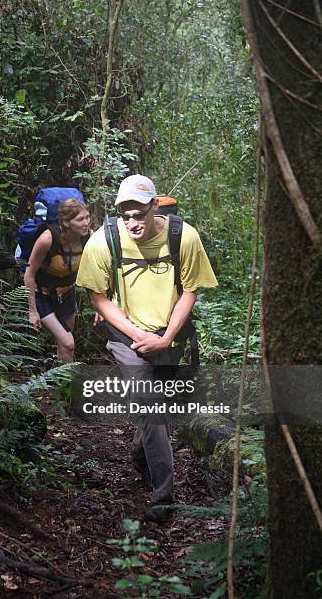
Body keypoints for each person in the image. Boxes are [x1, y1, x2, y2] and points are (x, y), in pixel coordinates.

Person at [76, 174, 218, 520]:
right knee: (153, 406)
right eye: (126, 214)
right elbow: (97, 297)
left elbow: (191, 290)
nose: (132, 222)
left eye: (139, 213)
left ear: (155, 205)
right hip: (127, 337)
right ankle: (163, 497)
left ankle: (143, 456)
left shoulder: (182, 236)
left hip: (169, 336)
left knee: (157, 413)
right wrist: (138, 336)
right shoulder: (103, 241)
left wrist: (166, 338)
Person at [24, 198, 91, 362]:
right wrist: (32, 311)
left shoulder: (88, 237)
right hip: (43, 296)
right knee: (68, 343)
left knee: (65, 345)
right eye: (80, 219)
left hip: (67, 294)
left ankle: (61, 385)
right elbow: (29, 274)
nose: (86, 223)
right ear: (66, 222)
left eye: (88, 217)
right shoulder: (47, 239)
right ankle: (63, 384)